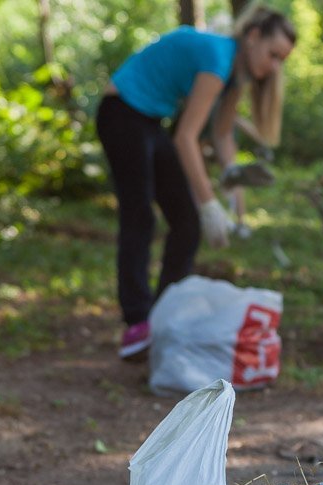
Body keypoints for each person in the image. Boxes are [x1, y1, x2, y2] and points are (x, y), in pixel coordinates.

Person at [96, 6, 296, 359]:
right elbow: (186, 137)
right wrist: (209, 204)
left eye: (282, 60)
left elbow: (223, 138)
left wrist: (237, 208)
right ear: (253, 37)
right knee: (140, 215)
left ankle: (163, 316)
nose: (275, 66)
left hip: (150, 120)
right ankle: (137, 323)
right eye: (273, 54)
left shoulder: (236, 75)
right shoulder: (218, 58)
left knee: (187, 223)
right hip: (121, 110)